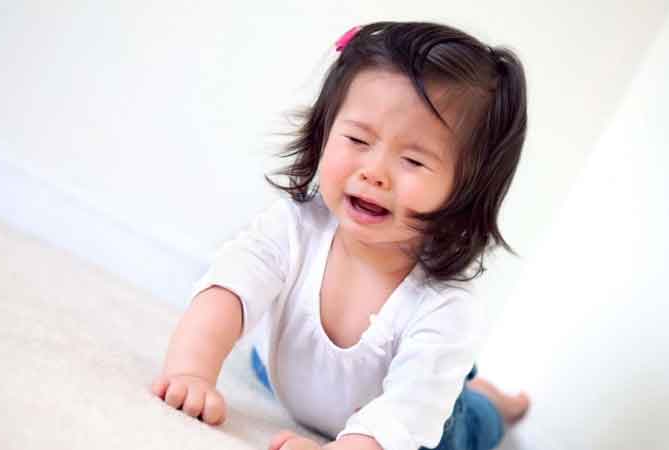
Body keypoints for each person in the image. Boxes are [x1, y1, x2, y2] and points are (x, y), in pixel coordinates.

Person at [151, 21, 530, 450]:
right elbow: (229, 288)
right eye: (357, 139)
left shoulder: (445, 307)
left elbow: (402, 417)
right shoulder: (294, 227)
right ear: (324, 132)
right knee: (265, 357)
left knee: (474, 422)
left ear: (466, 191)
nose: (374, 172)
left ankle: (489, 399)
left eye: (412, 161)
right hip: (307, 381)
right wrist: (191, 371)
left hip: (417, 431)